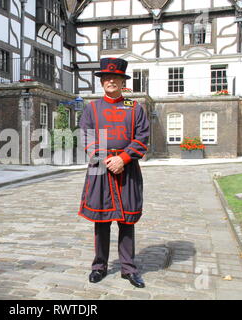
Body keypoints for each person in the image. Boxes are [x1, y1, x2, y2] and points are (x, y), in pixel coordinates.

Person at [78, 57, 150, 288]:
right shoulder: (92, 108)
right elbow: (87, 137)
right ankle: (99, 266)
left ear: (122, 81)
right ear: (102, 82)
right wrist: (107, 159)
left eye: (115, 78)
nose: (111, 81)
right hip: (100, 166)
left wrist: (123, 158)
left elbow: (142, 138)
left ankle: (128, 268)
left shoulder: (135, 108)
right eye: (107, 78)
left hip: (127, 167)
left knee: (126, 220)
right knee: (101, 220)